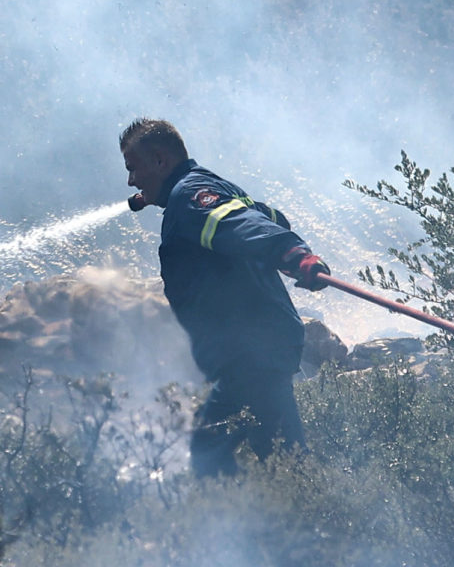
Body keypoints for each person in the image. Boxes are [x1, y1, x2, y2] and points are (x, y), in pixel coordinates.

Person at [119, 117, 331, 477]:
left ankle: (306, 520)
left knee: (225, 453)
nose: (131, 181)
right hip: (255, 349)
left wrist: (293, 254)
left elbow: (245, 225)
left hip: (251, 353)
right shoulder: (210, 187)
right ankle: (289, 514)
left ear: (159, 160)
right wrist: (280, 240)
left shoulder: (190, 197)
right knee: (260, 452)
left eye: (133, 168)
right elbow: (266, 218)